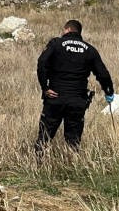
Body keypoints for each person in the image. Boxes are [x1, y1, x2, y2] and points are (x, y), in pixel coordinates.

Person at [35, 19, 114, 155]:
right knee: (73, 141)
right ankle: (72, 168)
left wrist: (45, 87)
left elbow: (42, 63)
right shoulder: (90, 49)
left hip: (55, 98)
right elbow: (103, 74)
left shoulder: (56, 44)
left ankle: (38, 166)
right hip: (77, 100)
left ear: (67, 30)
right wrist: (109, 92)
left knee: (44, 138)